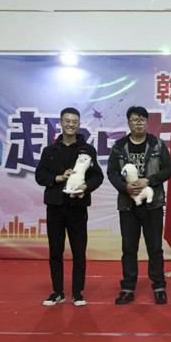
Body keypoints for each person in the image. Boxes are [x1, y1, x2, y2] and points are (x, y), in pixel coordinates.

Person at [35, 107, 103, 307]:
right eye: (67, 121)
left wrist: (85, 187)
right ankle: (57, 292)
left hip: (78, 206)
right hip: (55, 207)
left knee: (79, 251)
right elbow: (40, 176)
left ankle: (77, 292)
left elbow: (97, 176)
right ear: (60, 123)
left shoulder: (87, 150)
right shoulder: (49, 151)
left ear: (79, 124)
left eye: (74, 121)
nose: (70, 125)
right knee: (55, 251)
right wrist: (58, 178)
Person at [107, 106, 171, 305]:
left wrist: (149, 181)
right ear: (128, 123)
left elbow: (168, 169)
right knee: (129, 248)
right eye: (135, 119)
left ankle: (159, 287)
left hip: (152, 204)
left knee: (155, 248)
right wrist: (125, 187)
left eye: (142, 119)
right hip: (128, 205)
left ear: (147, 122)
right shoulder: (119, 146)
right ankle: (128, 288)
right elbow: (112, 173)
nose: (138, 123)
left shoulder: (157, 144)